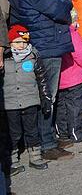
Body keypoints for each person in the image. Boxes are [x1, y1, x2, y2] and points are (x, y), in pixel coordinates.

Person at [10, 0, 74, 162]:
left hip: (47, 38)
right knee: (47, 95)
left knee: (46, 94)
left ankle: (47, 138)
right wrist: (65, 2)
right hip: (45, 41)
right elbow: (56, 7)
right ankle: (45, 142)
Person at [4, 25, 53, 172]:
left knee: (32, 130)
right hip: (10, 102)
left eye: (24, 42)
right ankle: (12, 159)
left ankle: (35, 156)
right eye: (18, 42)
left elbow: (42, 79)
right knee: (13, 132)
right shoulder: (5, 58)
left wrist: (45, 97)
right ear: (10, 42)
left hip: (30, 100)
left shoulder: (33, 56)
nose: (22, 45)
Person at [56, 10, 82, 143]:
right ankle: (77, 132)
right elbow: (81, 55)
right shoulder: (72, 34)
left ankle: (62, 133)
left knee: (61, 107)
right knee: (75, 107)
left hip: (60, 78)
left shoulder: (55, 33)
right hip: (74, 77)